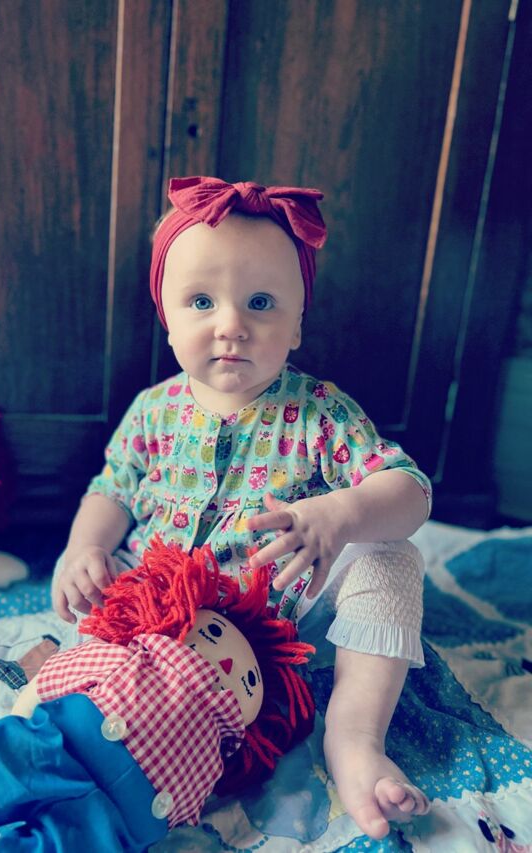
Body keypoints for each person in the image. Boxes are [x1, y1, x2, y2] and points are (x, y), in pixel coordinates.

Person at [52, 176, 432, 840]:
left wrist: (341, 513)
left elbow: (410, 489)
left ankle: (353, 736)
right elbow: (111, 489)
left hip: (283, 611)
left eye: (261, 302)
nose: (231, 325)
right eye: (202, 302)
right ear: (167, 316)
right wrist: (84, 548)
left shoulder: (319, 411)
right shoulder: (153, 411)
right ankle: (112, 725)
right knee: (90, 600)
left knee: (392, 557)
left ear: (297, 324)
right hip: (163, 610)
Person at [0, 539, 315, 852]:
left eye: (249, 682)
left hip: (114, 827)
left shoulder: (227, 741)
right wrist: (26, 708)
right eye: (214, 633)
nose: (226, 665)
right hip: (55, 747)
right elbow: (64, 672)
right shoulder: (144, 655)